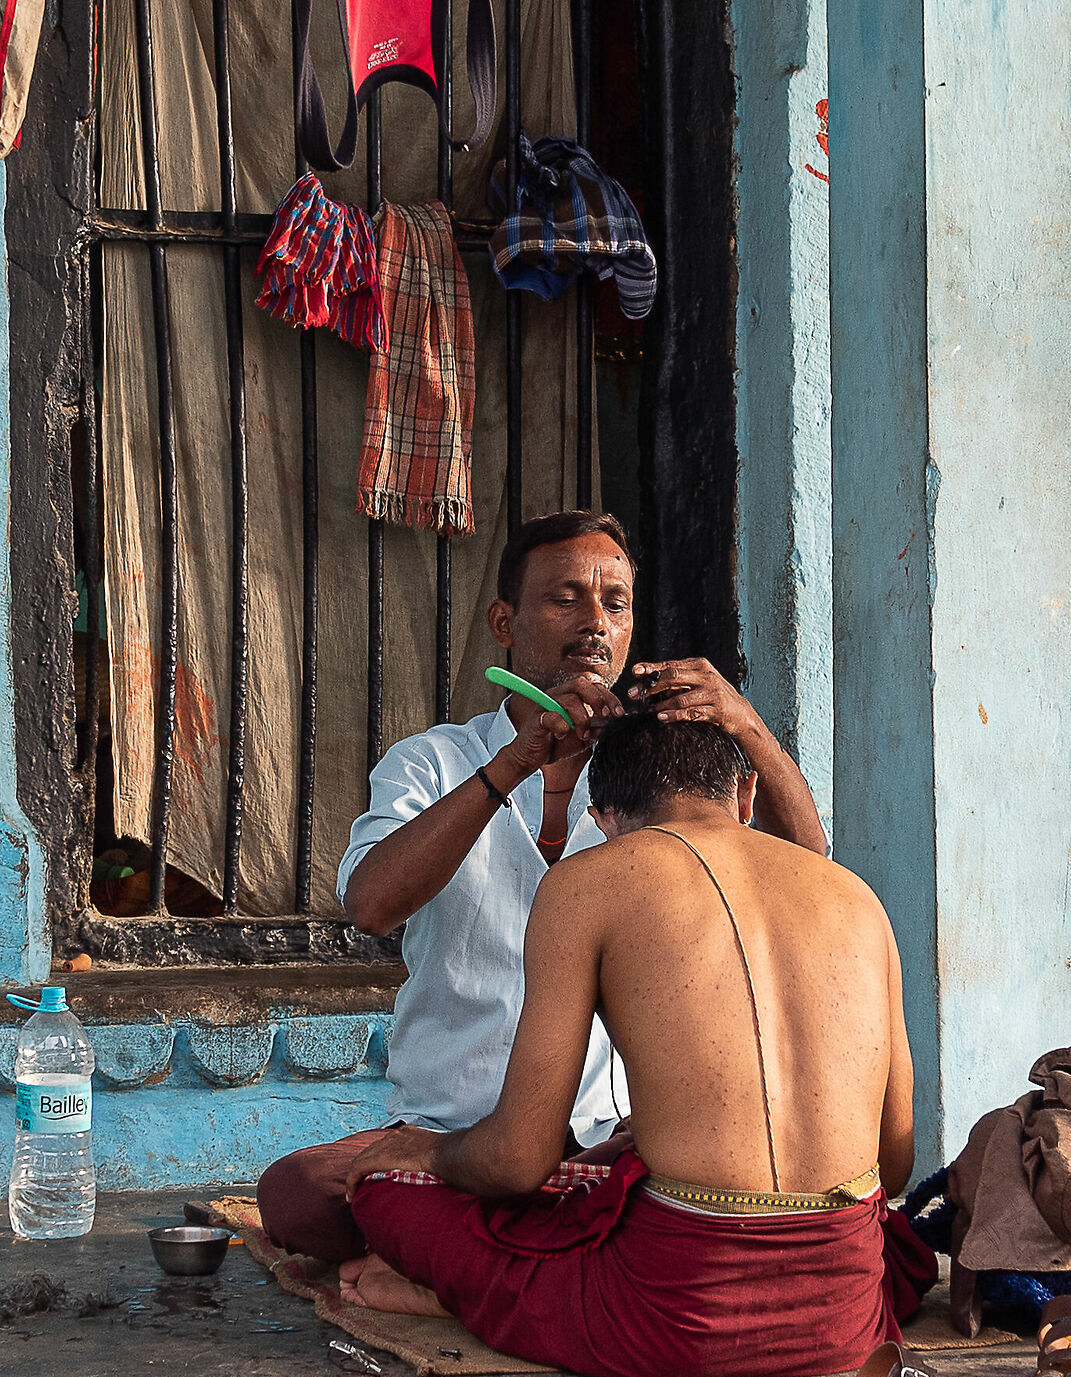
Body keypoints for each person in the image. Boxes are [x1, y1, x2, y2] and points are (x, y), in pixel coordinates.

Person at [254, 509, 825, 1264]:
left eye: (615, 603)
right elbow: (371, 904)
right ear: (503, 621)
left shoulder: (660, 771)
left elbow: (809, 872)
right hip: (449, 1134)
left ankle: (464, 1262)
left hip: (613, 1140)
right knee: (298, 1195)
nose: (595, 622)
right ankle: (531, 1254)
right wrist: (512, 766)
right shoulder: (434, 761)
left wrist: (749, 727)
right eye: (565, 598)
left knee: (683, 1199)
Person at [332, 709, 939, 1377]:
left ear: (605, 818)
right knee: (901, 1249)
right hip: (842, 1317)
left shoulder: (587, 884)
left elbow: (516, 1163)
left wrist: (433, 1151)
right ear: (745, 796)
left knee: (384, 1191)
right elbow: (895, 1163)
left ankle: (449, 1294)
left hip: (671, 1323)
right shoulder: (858, 899)